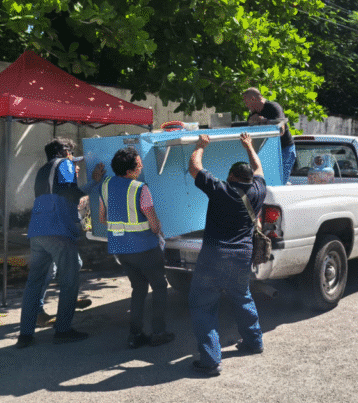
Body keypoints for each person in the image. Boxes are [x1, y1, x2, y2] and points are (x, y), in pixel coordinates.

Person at [188, 131, 266, 376]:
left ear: (231, 176)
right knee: (242, 298)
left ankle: (211, 360)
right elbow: (258, 167)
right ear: (249, 178)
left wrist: (201, 145)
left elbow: (194, 167)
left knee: (203, 306)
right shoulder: (257, 190)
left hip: (213, 257)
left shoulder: (220, 188)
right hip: (241, 257)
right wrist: (249, 146)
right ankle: (254, 343)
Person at [15, 138, 104, 348]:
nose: (73, 159)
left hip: (38, 231)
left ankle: (25, 335)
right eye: (71, 153)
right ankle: (63, 329)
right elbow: (70, 193)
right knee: (70, 279)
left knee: (34, 284)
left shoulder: (43, 170)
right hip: (58, 230)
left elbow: (59, 195)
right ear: (65, 152)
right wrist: (94, 181)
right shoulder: (63, 164)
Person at [98, 147, 175, 348]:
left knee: (138, 288)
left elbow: (102, 218)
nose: (141, 167)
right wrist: (160, 231)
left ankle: (135, 335)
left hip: (121, 250)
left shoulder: (105, 185)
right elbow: (154, 224)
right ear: (131, 170)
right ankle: (158, 332)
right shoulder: (140, 188)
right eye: (139, 165)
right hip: (146, 248)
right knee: (159, 286)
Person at [241, 87, 296, 184]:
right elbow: (249, 126)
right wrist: (251, 121)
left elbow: (281, 128)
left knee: (279, 182)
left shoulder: (273, 107)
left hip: (284, 149)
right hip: (270, 153)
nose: (246, 105)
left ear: (253, 99)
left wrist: (264, 121)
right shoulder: (254, 113)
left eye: (246, 102)